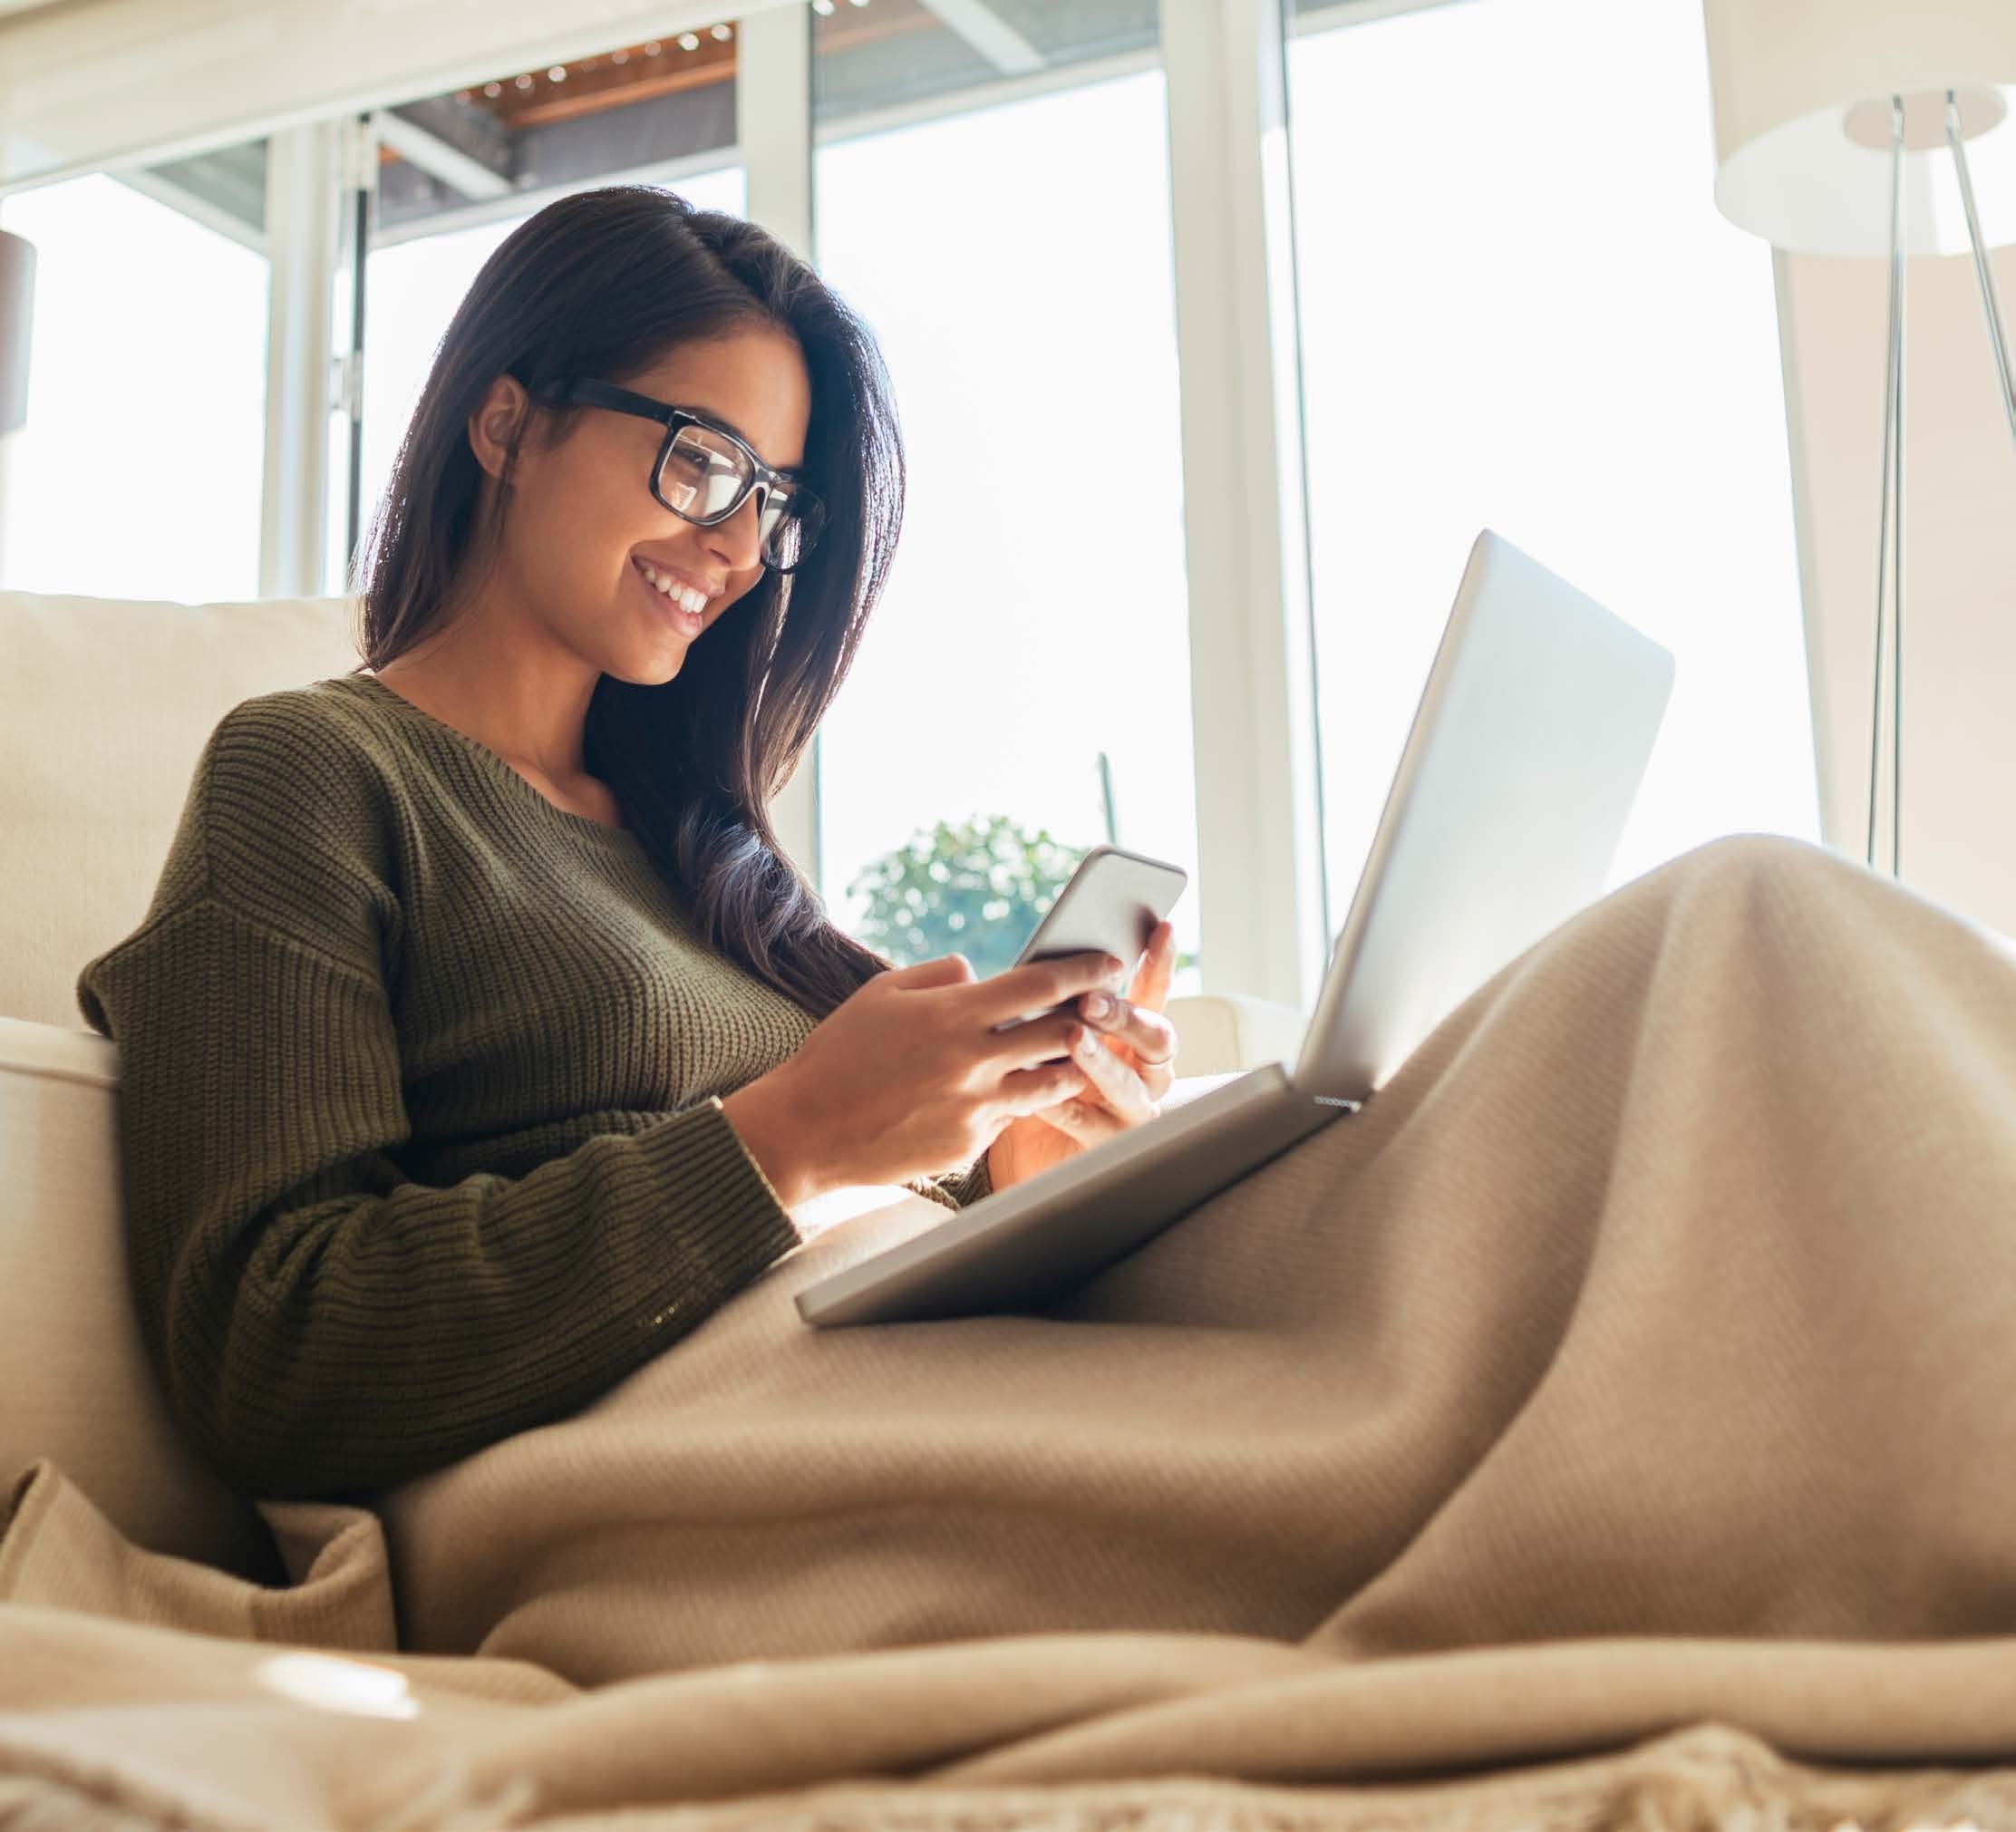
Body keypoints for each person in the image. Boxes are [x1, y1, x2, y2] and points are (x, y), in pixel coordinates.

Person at [76, 185, 1184, 1501]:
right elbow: (273, 1344)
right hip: (675, 1473)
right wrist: (789, 1135)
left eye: (773, 502)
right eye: (703, 460)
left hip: (887, 1410)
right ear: (508, 424)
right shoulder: (316, 772)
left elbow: (836, 1212)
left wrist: (1018, 1177)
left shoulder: (710, 857)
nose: (733, 549)